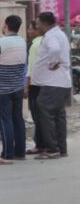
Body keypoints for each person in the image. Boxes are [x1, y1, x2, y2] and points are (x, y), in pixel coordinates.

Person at [0, 15, 27, 165]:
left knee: (5, 121)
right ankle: (20, 152)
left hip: (2, 89)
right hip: (18, 87)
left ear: (6, 25)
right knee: (18, 119)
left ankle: (7, 155)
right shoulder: (22, 42)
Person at [32, 12, 72, 159]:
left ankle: (52, 149)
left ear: (44, 23)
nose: (36, 26)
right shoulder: (59, 34)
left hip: (52, 83)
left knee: (46, 114)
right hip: (60, 83)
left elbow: (54, 50)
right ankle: (61, 149)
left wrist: (52, 62)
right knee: (58, 115)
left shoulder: (51, 36)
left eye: (37, 23)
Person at [24, 21, 45, 155]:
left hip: (35, 85)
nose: (28, 31)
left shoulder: (34, 45)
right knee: (43, 115)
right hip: (46, 83)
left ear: (37, 30)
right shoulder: (45, 42)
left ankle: (39, 145)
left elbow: (31, 69)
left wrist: (27, 87)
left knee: (37, 116)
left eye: (31, 29)